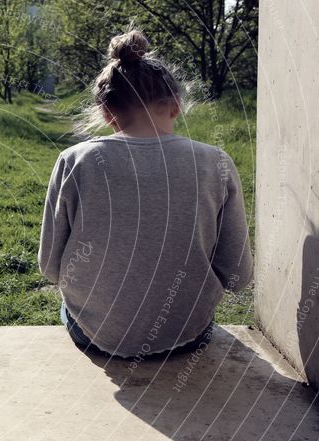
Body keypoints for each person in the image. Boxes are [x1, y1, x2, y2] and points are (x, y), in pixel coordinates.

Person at [37, 29, 253, 359]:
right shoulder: (215, 163)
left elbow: (50, 267)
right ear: (176, 106)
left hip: (93, 334)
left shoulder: (75, 161)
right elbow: (238, 275)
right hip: (188, 334)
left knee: (71, 312)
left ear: (107, 113)